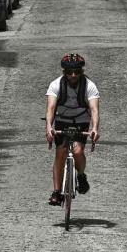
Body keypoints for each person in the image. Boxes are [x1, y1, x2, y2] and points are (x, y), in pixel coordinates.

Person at [45, 54, 100, 206]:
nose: (73, 75)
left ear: (81, 71)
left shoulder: (89, 86)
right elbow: (50, 108)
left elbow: (94, 110)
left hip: (81, 120)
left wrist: (95, 128)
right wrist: (49, 127)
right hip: (62, 120)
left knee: (77, 151)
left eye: (76, 71)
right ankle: (56, 192)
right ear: (64, 72)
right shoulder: (56, 84)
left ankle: (81, 175)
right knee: (61, 152)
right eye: (69, 72)